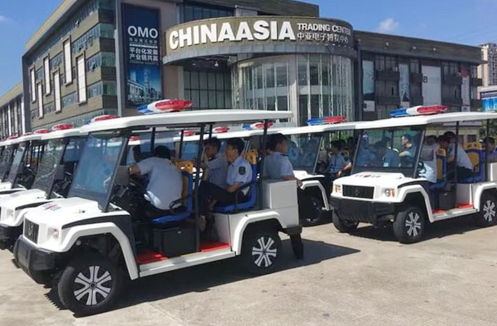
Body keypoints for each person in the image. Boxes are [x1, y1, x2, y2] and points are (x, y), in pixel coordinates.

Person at [198, 138, 252, 216]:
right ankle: (203, 214)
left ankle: (202, 216)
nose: (225, 151)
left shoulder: (242, 166)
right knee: (202, 190)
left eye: (228, 148)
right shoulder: (231, 166)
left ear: (235, 151)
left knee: (205, 185)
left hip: (236, 195)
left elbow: (232, 188)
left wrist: (219, 191)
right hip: (230, 193)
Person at [128, 146, 183, 218]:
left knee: (134, 200)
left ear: (155, 155)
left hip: (157, 210)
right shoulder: (175, 168)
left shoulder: (153, 161)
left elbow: (130, 170)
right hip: (175, 208)